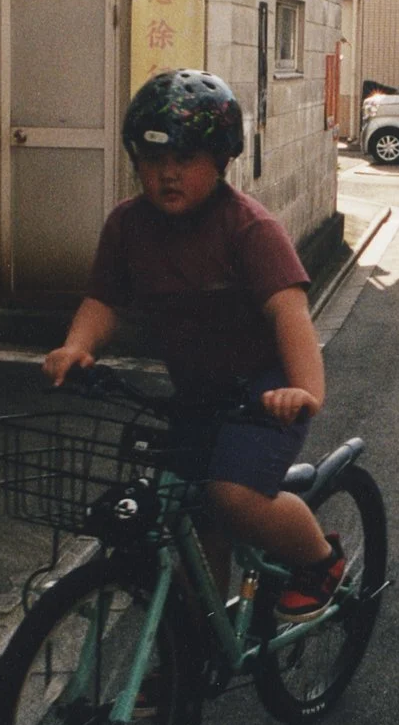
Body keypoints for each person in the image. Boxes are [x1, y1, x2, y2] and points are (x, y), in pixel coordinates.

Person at [43, 69, 346, 620]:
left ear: (221, 161)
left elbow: (289, 313)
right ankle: (192, 649)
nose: (167, 175)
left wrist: (304, 390)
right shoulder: (127, 225)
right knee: (182, 512)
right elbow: (103, 300)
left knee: (232, 496)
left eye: (185, 160)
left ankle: (319, 561)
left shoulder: (249, 229)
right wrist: (76, 347)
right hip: (198, 390)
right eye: (154, 161)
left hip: (266, 388)